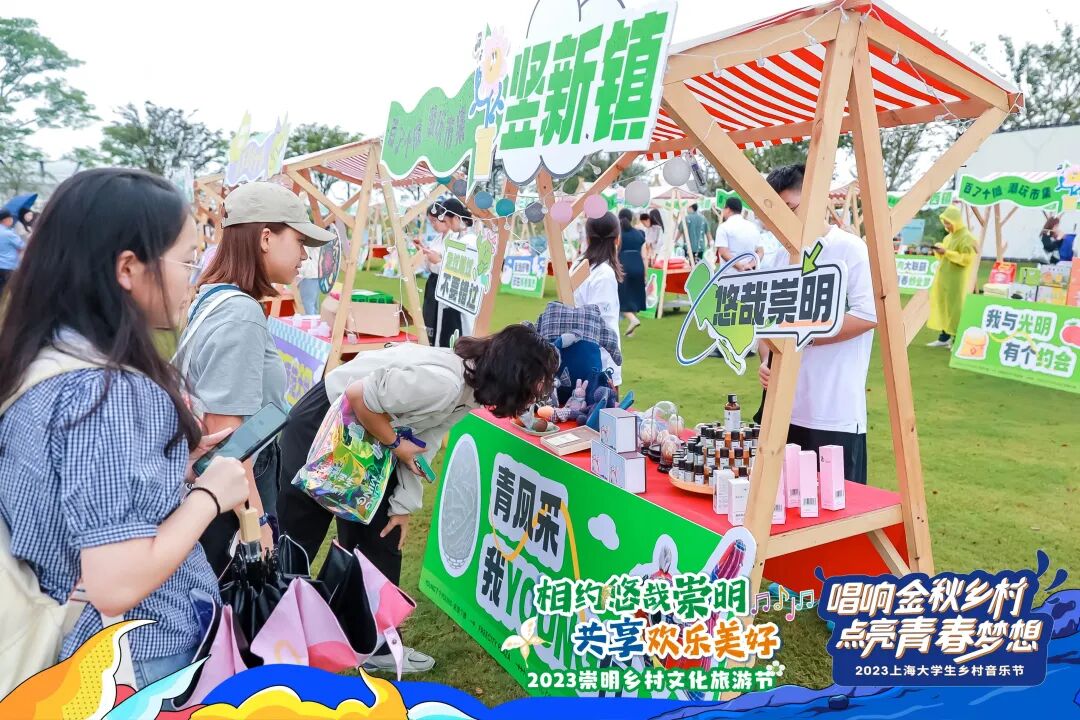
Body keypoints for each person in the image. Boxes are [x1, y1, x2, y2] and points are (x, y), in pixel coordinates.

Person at [0, 168, 249, 689]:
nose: (196, 274)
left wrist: (164, 467)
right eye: (186, 258)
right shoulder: (108, 394)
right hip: (130, 661)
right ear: (128, 268)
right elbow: (116, 582)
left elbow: (67, 493)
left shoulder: (44, 358)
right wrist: (210, 493)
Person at [276, 324, 559, 674]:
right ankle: (271, 638)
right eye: (538, 382)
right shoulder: (444, 382)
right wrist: (396, 444)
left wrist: (404, 505)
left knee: (380, 539)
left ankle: (371, 642)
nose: (539, 393)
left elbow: (423, 442)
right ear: (514, 374)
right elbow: (358, 397)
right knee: (297, 536)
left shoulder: (467, 392)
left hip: (365, 435)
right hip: (326, 424)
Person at [174, 181, 333, 575]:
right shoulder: (242, 313)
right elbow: (230, 440)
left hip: (220, 483)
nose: (304, 257)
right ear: (265, 238)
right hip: (237, 488)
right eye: (299, 241)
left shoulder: (213, 296)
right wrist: (256, 524)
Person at [756, 164, 878, 485]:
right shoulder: (778, 258)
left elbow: (868, 315)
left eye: (791, 209)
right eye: (774, 214)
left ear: (816, 199)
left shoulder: (849, 249)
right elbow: (765, 325)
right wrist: (766, 359)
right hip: (783, 406)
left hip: (832, 409)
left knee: (836, 505)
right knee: (783, 502)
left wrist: (803, 336)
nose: (783, 221)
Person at [573, 212, 624, 386]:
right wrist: (610, 374)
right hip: (599, 364)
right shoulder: (603, 274)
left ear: (588, 238)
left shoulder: (580, 265)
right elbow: (603, 325)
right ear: (617, 239)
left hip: (579, 354)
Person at [416, 198, 473, 347]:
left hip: (454, 290)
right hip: (442, 286)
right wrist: (430, 258)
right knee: (439, 326)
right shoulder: (458, 238)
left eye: (445, 221)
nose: (445, 225)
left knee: (454, 330)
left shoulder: (468, 240)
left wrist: (438, 261)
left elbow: (458, 271)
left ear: (455, 218)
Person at [926, 205, 979, 348]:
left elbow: (967, 259)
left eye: (948, 222)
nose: (946, 226)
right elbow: (943, 256)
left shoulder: (967, 237)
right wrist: (940, 250)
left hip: (957, 278)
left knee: (956, 309)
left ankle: (956, 339)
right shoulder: (949, 237)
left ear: (956, 221)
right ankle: (944, 337)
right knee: (944, 307)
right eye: (945, 223)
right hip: (944, 277)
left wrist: (947, 252)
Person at [617, 208, 646, 337]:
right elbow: (644, 256)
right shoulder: (640, 234)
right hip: (638, 266)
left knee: (621, 297)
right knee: (633, 296)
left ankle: (632, 319)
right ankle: (631, 331)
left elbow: (614, 253)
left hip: (623, 266)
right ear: (631, 218)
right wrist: (645, 272)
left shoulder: (617, 234)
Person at [715, 197, 764, 270]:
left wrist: (741, 267)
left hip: (729, 274)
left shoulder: (723, 227)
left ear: (728, 209)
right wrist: (749, 266)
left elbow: (723, 252)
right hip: (750, 274)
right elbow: (760, 252)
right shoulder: (753, 227)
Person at [0, 210, 24, 295]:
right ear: (5, 220)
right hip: (9, 266)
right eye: (11, 219)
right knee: (13, 291)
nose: (12, 220)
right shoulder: (9, 233)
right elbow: (22, 246)